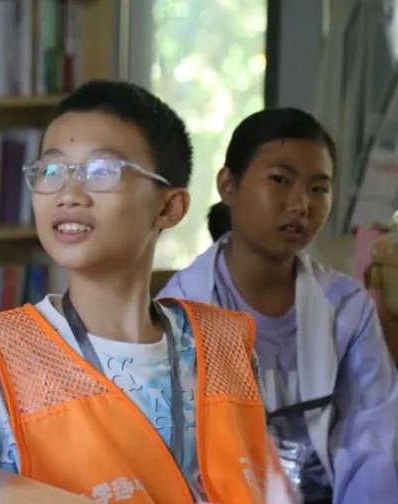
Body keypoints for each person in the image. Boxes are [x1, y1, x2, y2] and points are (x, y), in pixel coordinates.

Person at [0, 80, 277, 503]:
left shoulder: (225, 346)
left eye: (101, 172)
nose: (68, 195)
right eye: (50, 172)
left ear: (168, 207)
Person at [160, 107, 398, 503]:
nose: (301, 204)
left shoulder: (346, 308)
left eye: (318, 189)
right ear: (228, 185)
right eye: (280, 180)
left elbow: (373, 441)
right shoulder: (178, 311)